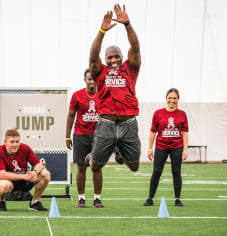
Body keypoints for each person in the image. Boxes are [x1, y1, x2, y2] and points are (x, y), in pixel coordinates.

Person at [85, 4, 142, 208]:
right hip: (106, 124)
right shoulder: (100, 72)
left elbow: (135, 47)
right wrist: (101, 32)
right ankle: (96, 155)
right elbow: (93, 57)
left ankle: (119, 151)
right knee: (94, 166)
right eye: (110, 57)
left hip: (128, 124)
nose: (114, 59)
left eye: (117, 56)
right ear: (106, 60)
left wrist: (127, 24)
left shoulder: (131, 68)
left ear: (122, 58)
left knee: (135, 167)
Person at [144, 88, 189, 207]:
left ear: (178, 99)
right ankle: (150, 198)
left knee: (176, 172)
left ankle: (177, 199)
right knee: (156, 172)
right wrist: (149, 148)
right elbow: (153, 132)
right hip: (161, 146)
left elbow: (185, 132)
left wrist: (185, 149)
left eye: (174, 98)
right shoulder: (158, 113)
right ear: (166, 99)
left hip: (176, 147)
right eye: (170, 98)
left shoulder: (182, 114)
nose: (172, 100)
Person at [66, 69, 101, 208]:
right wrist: (67, 136)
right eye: (89, 79)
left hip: (99, 136)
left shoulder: (104, 95)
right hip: (80, 135)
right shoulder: (77, 95)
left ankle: (97, 199)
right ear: (85, 80)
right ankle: (81, 198)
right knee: (81, 167)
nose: (91, 81)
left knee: (97, 167)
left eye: (94, 79)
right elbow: (70, 116)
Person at [0, 129, 50, 211]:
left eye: (17, 141)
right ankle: (1, 202)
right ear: (5, 142)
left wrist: (34, 172)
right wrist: (24, 176)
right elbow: (2, 174)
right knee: (4, 185)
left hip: (24, 180)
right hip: (7, 181)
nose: (15, 144)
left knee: (45, 174)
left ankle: (34, 203)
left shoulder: (25, 148)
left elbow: (39, 164)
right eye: (12, 142)